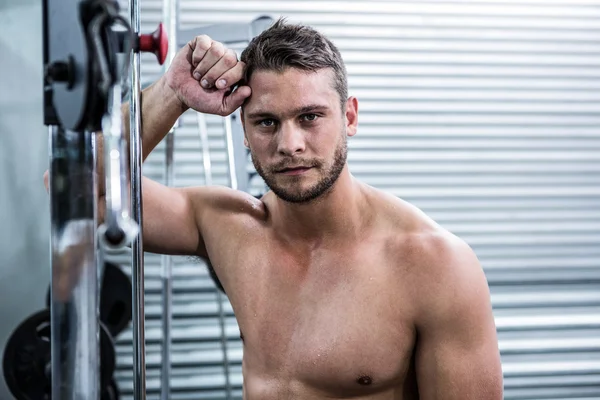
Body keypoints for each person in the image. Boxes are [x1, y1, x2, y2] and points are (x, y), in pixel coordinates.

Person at [46, 18, 503, 399]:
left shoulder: (434, 265)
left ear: (349, 117)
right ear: (243, 131)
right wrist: (172, 93)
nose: (290, 145)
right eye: (266, 122)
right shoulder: (229, 226)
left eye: (310, 117)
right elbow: (74, 190)